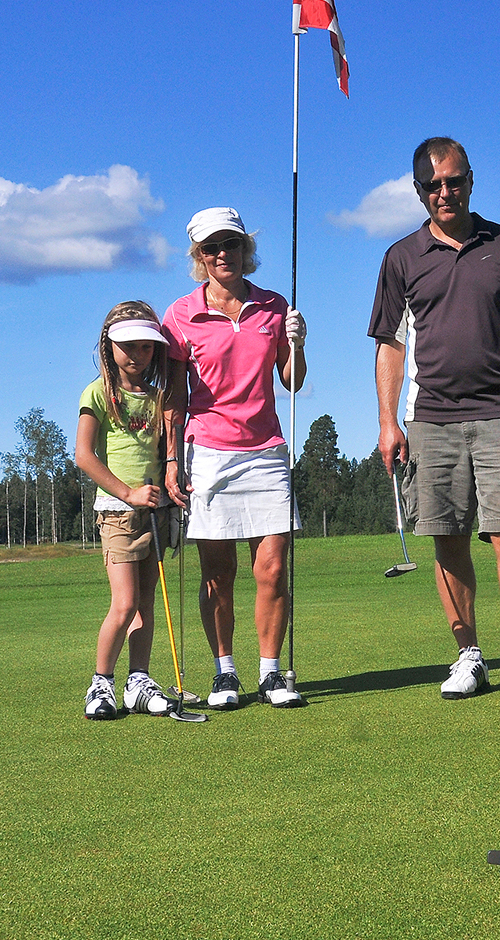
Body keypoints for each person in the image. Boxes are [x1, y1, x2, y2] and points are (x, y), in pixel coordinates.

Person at [370, 137, 500, 707]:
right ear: (418, 191)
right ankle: (471, 656)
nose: (444, 192)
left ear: (471, 180)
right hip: (429, 418)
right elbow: (389, 345)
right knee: (447, 540)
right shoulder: (400, 258)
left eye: (454, 181)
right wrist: (389, 422)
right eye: (432, 186)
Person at [162, 207, 307, 710]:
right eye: (210, 248)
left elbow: (292, 381)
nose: (221, 254)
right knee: (217, 572)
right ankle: (226, 672)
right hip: (208, 452)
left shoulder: (273, 306)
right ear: (199, 258)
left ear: (247, 248)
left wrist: (298, 342)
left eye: (230, 244)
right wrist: (171, 458)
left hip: (266, 450)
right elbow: (174, 397)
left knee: (271, 569)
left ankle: (271, 673)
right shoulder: (180, 315)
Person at [74, 300, 182, 720]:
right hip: (117, 513)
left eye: (146, 347)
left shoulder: (157, 398)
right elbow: (84, 455)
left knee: (147, 604)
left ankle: (138, 680)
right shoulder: (99, 392)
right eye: (127, 346)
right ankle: (101, 684)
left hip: (154, 512)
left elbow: (165, 452)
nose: (137, 355)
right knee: (124, 603)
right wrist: (127, 493)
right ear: (109, 346)